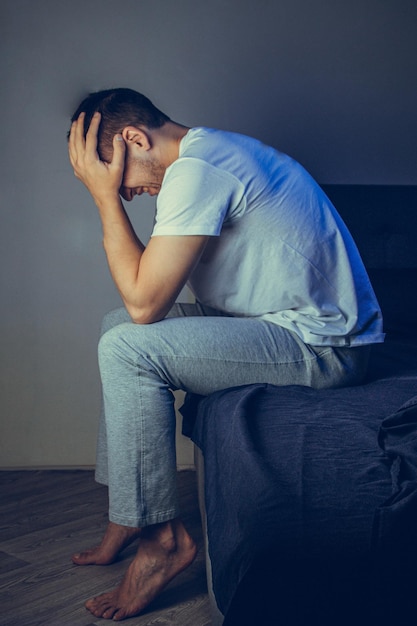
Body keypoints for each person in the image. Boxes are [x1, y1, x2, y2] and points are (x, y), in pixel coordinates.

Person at [67, 87, 384, 621]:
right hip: (269, 325)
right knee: (114, 327)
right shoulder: (204, 156)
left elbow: (146, 302)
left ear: (134, 139)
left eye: (114, 178)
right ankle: (130, 510)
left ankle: (161, 540)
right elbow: (139, 299)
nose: (123, 194)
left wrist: (100, 201)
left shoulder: (198, 170)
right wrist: (105, 189)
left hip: (324, 346)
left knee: (127, 343)